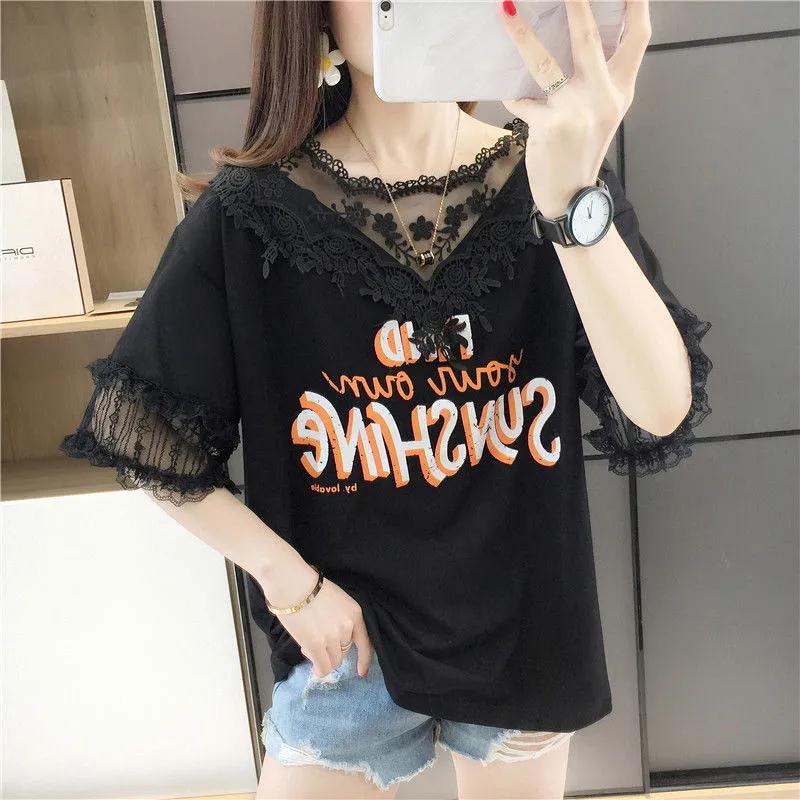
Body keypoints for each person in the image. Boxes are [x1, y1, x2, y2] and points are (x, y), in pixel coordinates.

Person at [60, 0, 713, 797]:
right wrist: (288, 583)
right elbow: (141, 432)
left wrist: (573, 196)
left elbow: (659, 409)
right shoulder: (251, 214)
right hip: (349, 654)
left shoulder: (547, 174)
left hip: (522, 634)